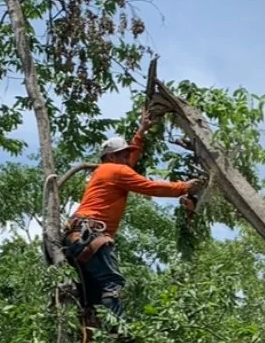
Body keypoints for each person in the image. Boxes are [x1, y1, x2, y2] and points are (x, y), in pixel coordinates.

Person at [63, 112, 204, 329]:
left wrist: (140, 132)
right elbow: (150, 187)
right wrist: (184, 187)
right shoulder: (115, 170)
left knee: (93, 296)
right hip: (92, 235)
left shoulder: (106, 171)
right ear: (111, 157)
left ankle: (98, 341)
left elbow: (130, 162)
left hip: (78, 237)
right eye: (122, 155)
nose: (127, 158)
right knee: (112, 283)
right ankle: (119, 332)